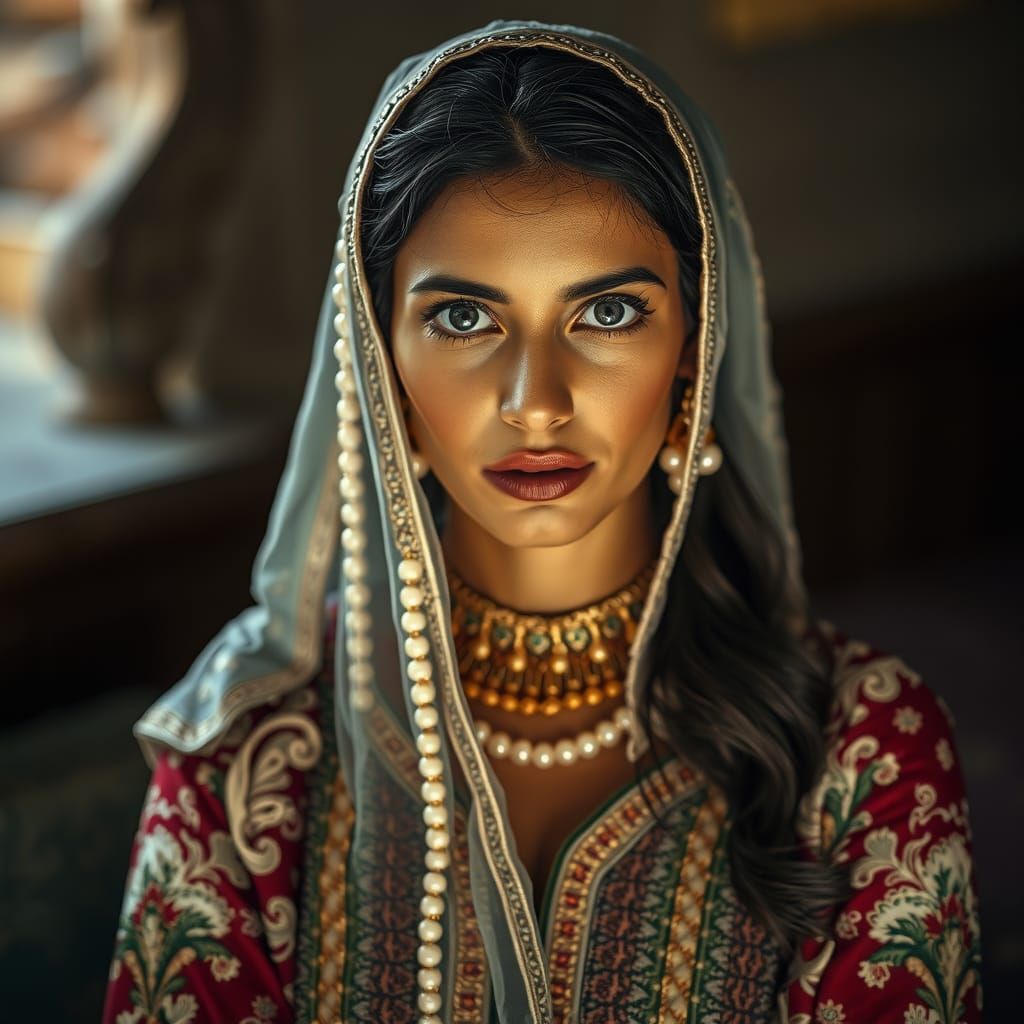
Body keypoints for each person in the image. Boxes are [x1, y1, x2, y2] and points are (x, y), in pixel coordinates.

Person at [102, 18, 984, 1024]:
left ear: (694, 349)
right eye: (464, 319)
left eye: (605, 314)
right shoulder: (244, 757)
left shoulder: (861, 749)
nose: (535, 400)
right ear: (378, 361)